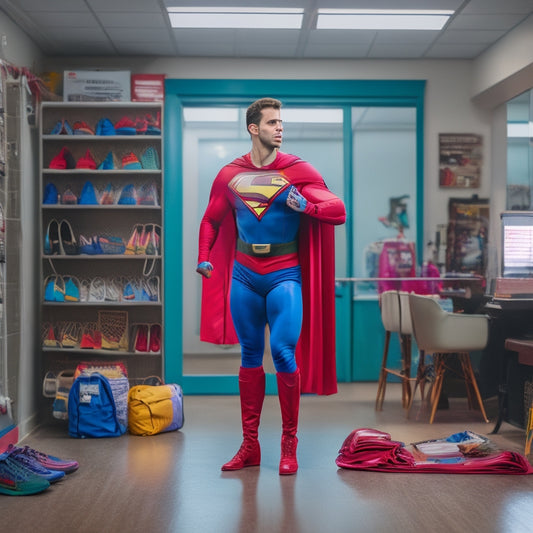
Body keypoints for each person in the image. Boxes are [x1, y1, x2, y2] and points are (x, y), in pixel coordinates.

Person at [196, 97, 346, 475]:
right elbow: (210, 219)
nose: (280, 127)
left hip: (285, 274)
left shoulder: (298, 169)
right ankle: (250, 446)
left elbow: (338, 211)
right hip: (244, 274)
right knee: (249, 354)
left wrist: (307, 208)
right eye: (272, 122)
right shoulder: (229, 174)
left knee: (282, 352)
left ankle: (288, 445)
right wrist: (204, 256)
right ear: (253, 128)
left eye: (281, 122)